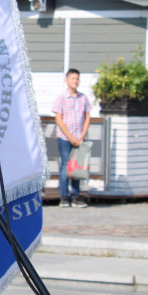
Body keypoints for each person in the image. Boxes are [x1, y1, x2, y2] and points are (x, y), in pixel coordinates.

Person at [52, 68, 91, 208]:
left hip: (79, 137)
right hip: (65, 137)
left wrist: (81, 135)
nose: (75, 81)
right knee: (65, 166)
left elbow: (87, 117)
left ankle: (75, 195)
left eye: (77, 78)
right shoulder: (61, 97)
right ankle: (64, 196)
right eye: (73, 78)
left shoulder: (83, 98)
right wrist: (70, 136)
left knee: (78, 166)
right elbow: (58, 118)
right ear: (67, 80)